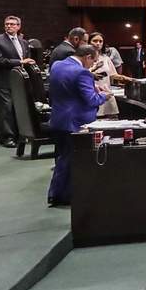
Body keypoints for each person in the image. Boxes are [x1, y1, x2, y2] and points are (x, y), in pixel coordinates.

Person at [46, 45, 110, 207]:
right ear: (87, 57)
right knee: (72, 160)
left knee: (63, 158)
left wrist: (92, 87)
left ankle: (56, 194)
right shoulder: (83, 72)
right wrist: (104, 95)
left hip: (58, 119)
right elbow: (91, 100)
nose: (92, 65)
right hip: (75, 122)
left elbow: (66, 87)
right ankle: (64, 195)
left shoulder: (57, 65)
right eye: (93, 61)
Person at [0, 16, 35, 148]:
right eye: (7, 24)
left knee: (19, 108)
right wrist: (19, 62)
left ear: (19, 27)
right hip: (3, 80)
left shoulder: (23, 42)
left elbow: (26, 58)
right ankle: (8, 137)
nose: (9, 26)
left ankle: (21, 135)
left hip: (19, 81)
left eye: (13, 24)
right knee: (7, 109)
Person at [87, 32, 130, 118]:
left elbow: (114, 75)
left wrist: (130, 79)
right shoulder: (84, 58)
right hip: (92, 95)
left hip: (106, 93)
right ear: (88, 42)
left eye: (100, 41)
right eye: (95, 41)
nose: (98, 43)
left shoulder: (106, 58)